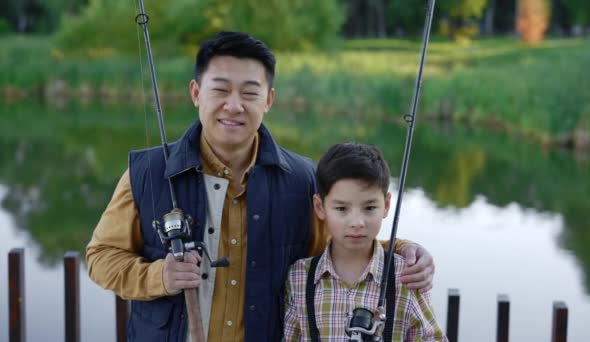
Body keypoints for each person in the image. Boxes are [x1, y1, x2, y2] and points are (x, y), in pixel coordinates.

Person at [86, 31, 436, 342]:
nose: (234, 105)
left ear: (268, 100)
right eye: (220, 90)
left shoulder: (302, 179)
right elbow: (100, 258)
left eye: (250, 93)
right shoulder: (146, 172)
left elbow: (338, 243)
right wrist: (158, 276)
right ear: (196, 93)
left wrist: (401, 249)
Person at [284, 142, 446, 341]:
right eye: (341, 209)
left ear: (386, 205)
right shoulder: (299, 277)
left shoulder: (406, 277)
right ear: (320, 207)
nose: (356, 222)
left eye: (369, 208)